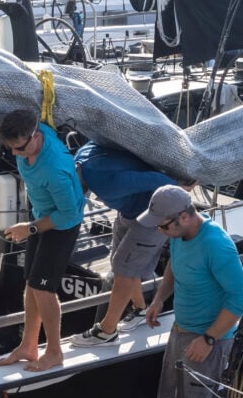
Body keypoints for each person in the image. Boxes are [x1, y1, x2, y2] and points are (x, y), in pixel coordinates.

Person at [138, 185, 243, 398]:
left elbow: (240, 298)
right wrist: (160, 299)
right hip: (180, 333)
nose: (160, 231)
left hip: (206, 343)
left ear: (184, 217)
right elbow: (174, 264)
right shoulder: (179, 237)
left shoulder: (217, 245)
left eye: (163, 225)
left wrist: (209, 339)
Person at [0, 109, 85, 372]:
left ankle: (54, 352)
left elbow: (68, 214)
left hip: (62, 224)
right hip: (40, 217)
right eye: (10, 148)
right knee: (31, 284)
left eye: (19, 149)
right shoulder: (33, 130)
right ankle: (29, 345)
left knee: (44, 288)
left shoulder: (54, 168)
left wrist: (30, 228)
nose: (15, 154)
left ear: (35, 137)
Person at [70, 141, 177, 346]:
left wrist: (179, 186)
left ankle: (107, 331)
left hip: (152, 215)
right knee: (117, 261)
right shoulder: (83, 154)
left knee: (124, 270)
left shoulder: (106, 183)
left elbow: (159, 180)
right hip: (128, 211)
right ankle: (140, 308)